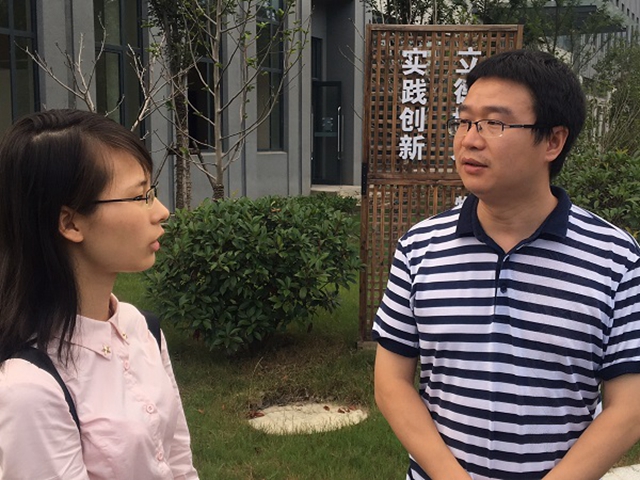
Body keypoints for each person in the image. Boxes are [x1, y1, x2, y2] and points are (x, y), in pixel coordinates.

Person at [373, 49, 640, 480]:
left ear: (553, 141)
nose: (469, 140)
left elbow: (629, 407)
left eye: (494, 124)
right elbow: (391, 382)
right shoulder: (419, 247)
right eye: (464, 122)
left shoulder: (615, 258)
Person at [0, 109, 199, 479]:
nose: (161, 211)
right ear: (71, 222)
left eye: (152, 192)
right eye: (139, 196)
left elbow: (179, 463)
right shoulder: (30, 386)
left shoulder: (141, 328)